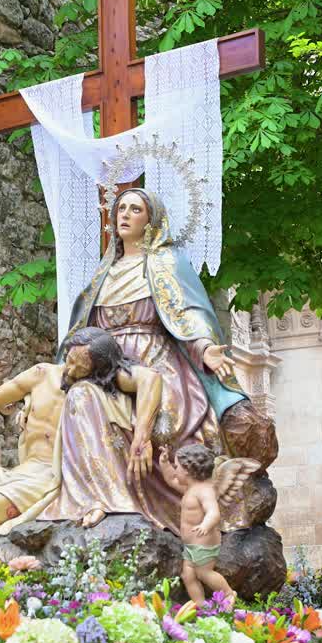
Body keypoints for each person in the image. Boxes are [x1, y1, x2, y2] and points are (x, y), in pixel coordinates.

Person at [51, 187, 272, 532]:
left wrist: (204, 347)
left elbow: (187, 314)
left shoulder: (166, 263)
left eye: (135, 209)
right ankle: (103, 498)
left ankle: (182, 511)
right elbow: (84, 329)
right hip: (107, 366)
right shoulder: (103, 274)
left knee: (165, 428)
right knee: (78, 402)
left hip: (156, 361)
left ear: (151, 220)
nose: (125, 215)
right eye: (121, 208)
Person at [0, 327, 161, 569]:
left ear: (98, 371)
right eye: (69, 359)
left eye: (79, 368)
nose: (69, 370)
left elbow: (151, 379)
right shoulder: (42, 374)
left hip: (42, 483)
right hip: (14, 475)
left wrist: (142, 438)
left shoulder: (95, 390)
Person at [156, 444, 233, 605]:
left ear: (187, 470)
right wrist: (164, 463)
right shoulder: (190, 488)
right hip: (191, 545)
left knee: (204, 573)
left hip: (204, 544)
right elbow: (171, 479)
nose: (175, 470)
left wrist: (205, 525)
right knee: (188, 575)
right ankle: (200, 606)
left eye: (176, 467)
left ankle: (228, 594)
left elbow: (213, 512)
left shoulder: (205, 490)